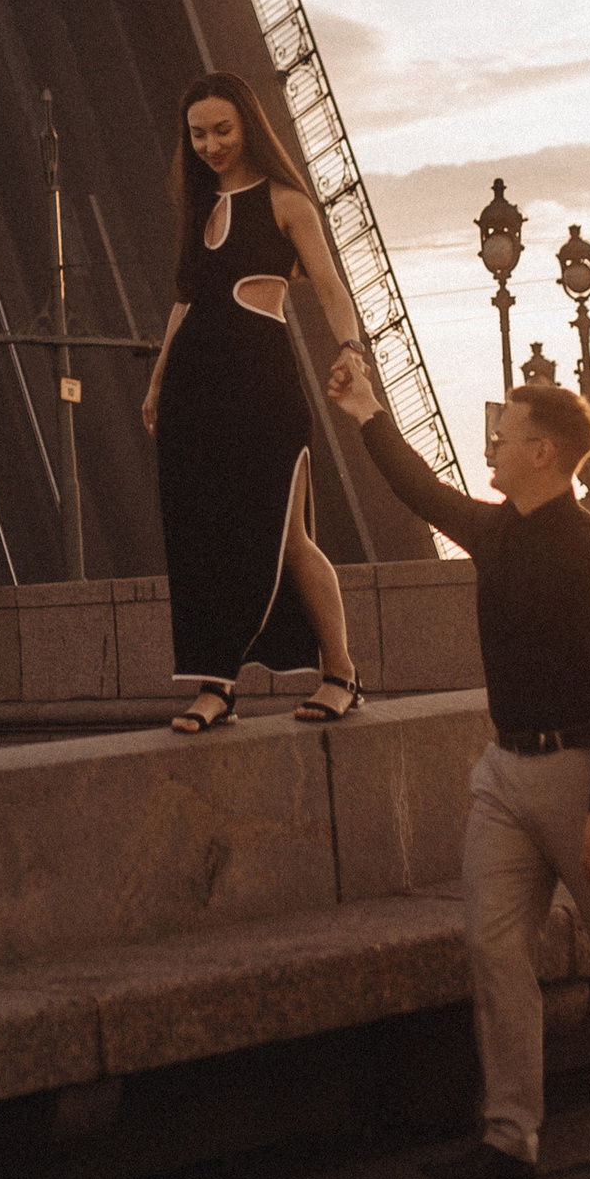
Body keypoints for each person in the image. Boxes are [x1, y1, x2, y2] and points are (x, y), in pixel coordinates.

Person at [328, 345, 590, 1179]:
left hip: (586, 774)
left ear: (543, 454)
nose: (489, 443)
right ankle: (509, 1139)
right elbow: (420, 491)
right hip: (506, 773)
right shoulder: (497, 533)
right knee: (493, 949)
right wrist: (366, 413)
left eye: (505, 433)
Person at [143, 70, 366, 734]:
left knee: (288, 536)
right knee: (200, 537)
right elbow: (186, 301)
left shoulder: (286, 200)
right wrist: (157, 382)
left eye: (222, 130)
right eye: (198, 133)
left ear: (248, 128)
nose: (210, 143)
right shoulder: (198, 204)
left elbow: (328, 286)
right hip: (192, 389)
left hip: (261, 386)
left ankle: (343, 673)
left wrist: (351, 349)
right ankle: (215, 687)